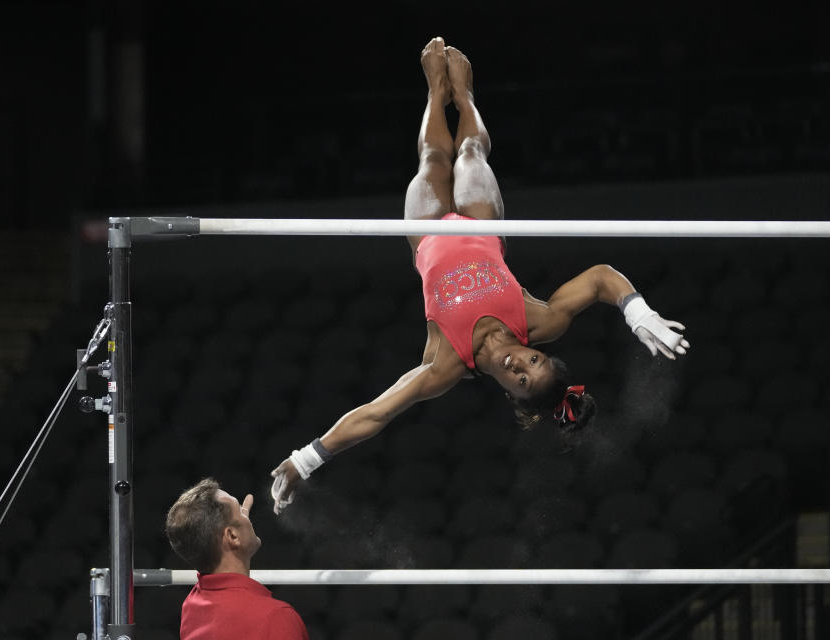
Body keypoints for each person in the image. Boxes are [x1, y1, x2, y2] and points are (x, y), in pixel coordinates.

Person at [269, 37, 690, 515]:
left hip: (426, 237)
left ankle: (433, 91)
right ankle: (464, 95)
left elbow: (376, 414)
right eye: (534, 361)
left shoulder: (445, 366)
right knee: (468, 154)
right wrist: (638, 313)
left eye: (523, 381)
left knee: (431, 161)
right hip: (480, 221)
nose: (521, 365)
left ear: (512, 397)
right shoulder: (539, 322)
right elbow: (599, 278)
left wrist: (305, 460)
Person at [166, 478, 309, 639]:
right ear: (232, 536)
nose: (245, 512)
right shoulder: (276, 617)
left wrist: (240, 526)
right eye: (240, 511)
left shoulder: (192, 604)